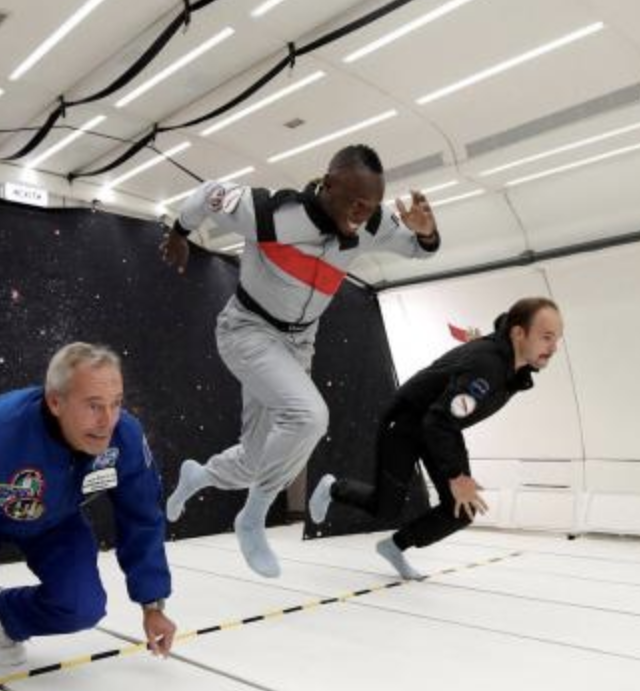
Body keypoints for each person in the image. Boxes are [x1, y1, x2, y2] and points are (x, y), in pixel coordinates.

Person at [160, 144, 440, 578]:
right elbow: (207, 194)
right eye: (355, 202)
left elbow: (421, 251)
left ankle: (197, 477)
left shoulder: (372, 221)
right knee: (309, 417)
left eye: (371, 206)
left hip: (298, 344)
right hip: (247, 329)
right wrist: (180, 233)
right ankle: (252, 517)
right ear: (328, 185)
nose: (362, 214)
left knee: (255, 460)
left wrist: (426, 233)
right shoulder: (269, 212)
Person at [0, 343, 176, 669]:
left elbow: (142, 517)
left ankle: (7, 616)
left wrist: (152, 604)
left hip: (55, 521)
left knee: (83, 606)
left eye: (116, 403)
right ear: (55, 401)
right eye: (94, 406)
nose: (107, 421)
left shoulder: (124, 436)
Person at [309, 298, 563, 579]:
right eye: (546, 337)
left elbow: (446, 413)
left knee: (462, 510)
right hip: (407, 422)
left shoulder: (510, 363)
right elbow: (439, 419)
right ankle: (333, 488)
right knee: (386, 509)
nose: (554, 348)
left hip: (440, 425)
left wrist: (475, 346)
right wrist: (456, 475)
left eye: (557, 339)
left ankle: (394, 546)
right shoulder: (489, 366)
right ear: (518, 333)